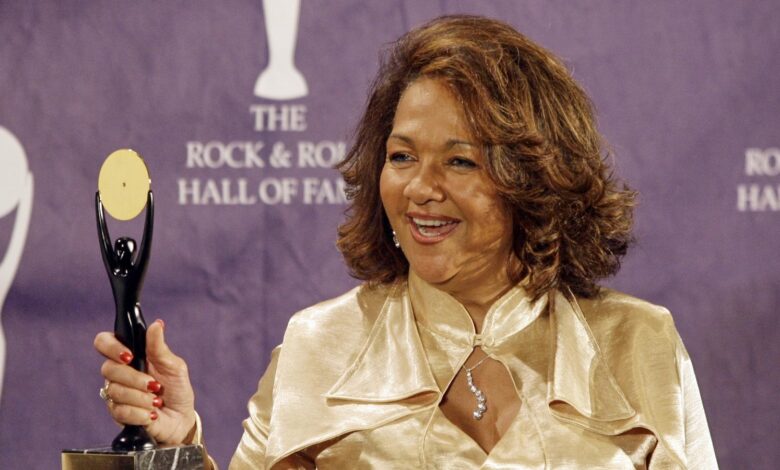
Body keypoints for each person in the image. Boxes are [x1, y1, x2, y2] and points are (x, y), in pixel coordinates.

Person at [94, 15, 718, 469]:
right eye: (401, 156)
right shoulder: (319, 343)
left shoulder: (639, 342)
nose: (421, 188)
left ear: (532, 180)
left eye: (460, 161)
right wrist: (179, 446)